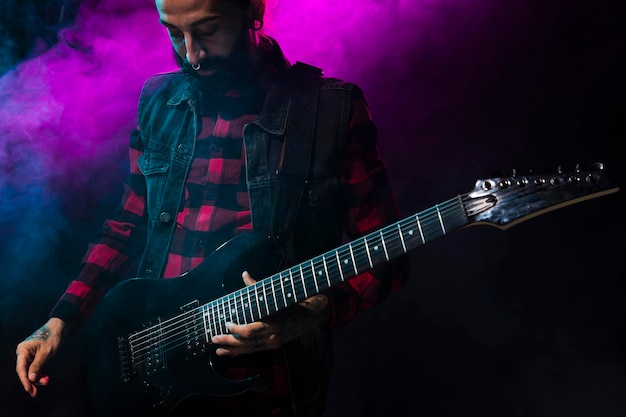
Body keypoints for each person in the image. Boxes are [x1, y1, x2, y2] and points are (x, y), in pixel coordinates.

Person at [15, 0, 409, 416]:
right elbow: (127, 224)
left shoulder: (332, 111)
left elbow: (388, 255)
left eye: (207, 30)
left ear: (252, 11)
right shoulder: (157, 100)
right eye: (174, 32)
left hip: (269, 387)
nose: (192, 54)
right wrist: (60, 321)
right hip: (155, 375)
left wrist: (316, 312)